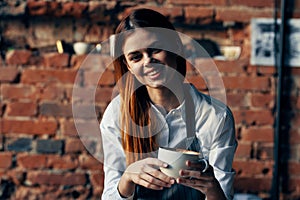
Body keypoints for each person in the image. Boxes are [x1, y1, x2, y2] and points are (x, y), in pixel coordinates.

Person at [100, 8, 237, 200]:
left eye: (155, 49)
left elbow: (224, 195)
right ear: (128, 66)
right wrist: (127, 178)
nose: (149, 61)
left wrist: (212, 188)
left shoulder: (215, 116)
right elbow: (109, 197)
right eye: (136, 57)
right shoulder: (117, 113)